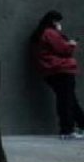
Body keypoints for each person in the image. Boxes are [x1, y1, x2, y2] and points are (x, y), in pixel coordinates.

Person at [31, 10, 84, 140]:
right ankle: (67, 130)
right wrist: (72, 44)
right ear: (54, 21)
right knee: (66, 101)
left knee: (69, 100)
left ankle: (80, 124)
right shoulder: (50, 33)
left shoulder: (42, 33)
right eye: (58, 21)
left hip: (52, 71)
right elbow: (64, 50)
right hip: (61, 69)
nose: (59, 24)